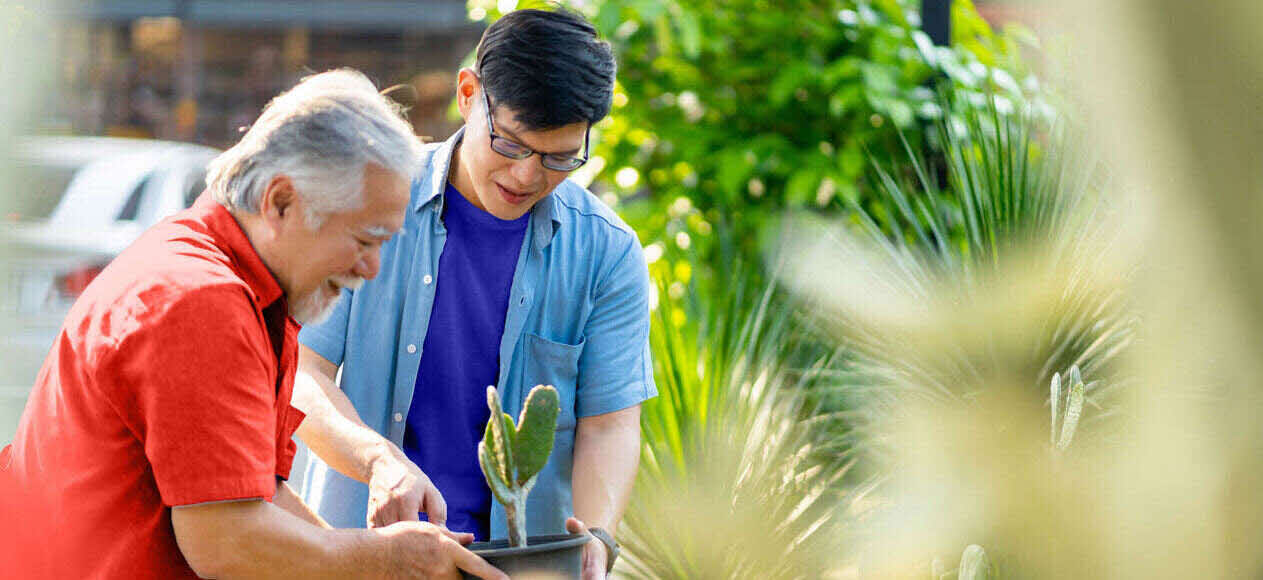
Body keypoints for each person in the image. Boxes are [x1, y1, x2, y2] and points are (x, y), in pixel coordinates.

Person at [0, 69, 509, 580]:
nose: (372, 268)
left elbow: (254, 493)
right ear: (280, 201)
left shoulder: (245, 282)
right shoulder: (203, 300)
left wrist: (360, 558)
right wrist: (388, 561)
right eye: (366, 239)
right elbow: (227, 542)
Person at [292, 8, 654, 578]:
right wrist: (379, 461)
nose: (527, 177)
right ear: (468, 94)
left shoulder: (607, 252)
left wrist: (599, 535)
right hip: (359, 554)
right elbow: (301, 373)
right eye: (510, 145)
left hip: (520, 564)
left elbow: (608, 422)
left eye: (560, 158)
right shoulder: (370, 201)